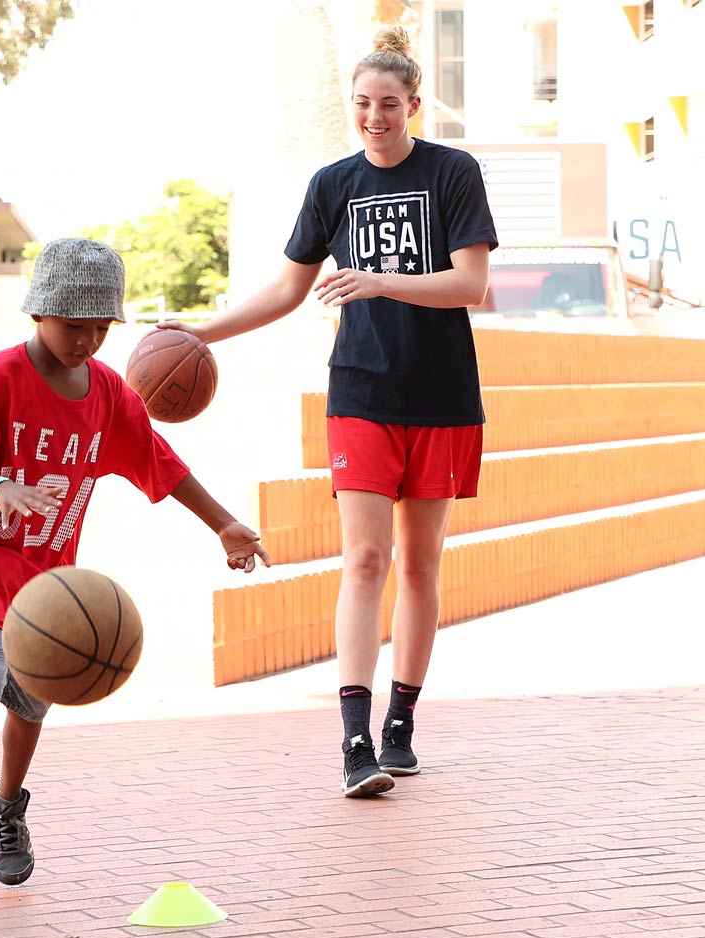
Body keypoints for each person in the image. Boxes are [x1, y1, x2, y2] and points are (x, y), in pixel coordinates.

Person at [0, 236, 270, 904]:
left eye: (101, 329)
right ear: (40, 311)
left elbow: (161, 464)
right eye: (74, 326)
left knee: (32, 695)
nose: (87, 341)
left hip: (47, 580)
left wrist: (223, 523)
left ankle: (7, 807)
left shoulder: (109, 395)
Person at [156, 26, 496, 798]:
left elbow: (470, 285)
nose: (374, 116)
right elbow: (285, 289)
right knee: (365, 558)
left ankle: (401, 723)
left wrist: (377, 280)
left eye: (388, 103)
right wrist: (199, 331)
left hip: (442, 396)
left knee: (419, 562)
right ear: (353, 105)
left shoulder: (453, 173)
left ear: (413, 104)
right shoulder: (331, 185)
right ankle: (354, 740)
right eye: (362, 103)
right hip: (362, 392)